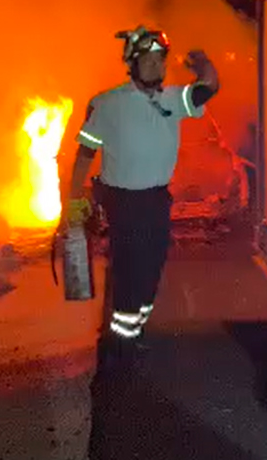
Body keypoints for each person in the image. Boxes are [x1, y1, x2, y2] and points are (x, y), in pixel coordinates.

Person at [62, 25, 220, 353]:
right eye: (148, 60)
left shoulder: (173, 99)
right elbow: (85, 154)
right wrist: (74, 198)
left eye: (160, 60)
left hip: (156, 201)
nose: (156, 67)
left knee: (153, 264)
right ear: (132, 64)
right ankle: (122, 343)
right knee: (129, 268)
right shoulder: (108, 104)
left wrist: (203, 61)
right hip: (123, 203)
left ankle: (136, 324)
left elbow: (209, 88)